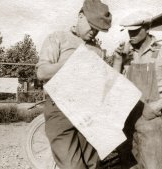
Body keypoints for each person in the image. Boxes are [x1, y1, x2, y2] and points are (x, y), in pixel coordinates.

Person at [36, 0, 112, 169]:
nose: (94, 33)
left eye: (98, 30)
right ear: (80, 16)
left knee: (94, 164)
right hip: (60, 110)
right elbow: (42, 72)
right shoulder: (58, 38)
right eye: (91, 26)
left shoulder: (97, 50)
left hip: (87, 112)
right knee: (72, 165)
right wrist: (73, 62)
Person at [113, 11, 162, 169]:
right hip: (127, 118)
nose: (131, 34)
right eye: (128, 30)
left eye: (135, 30)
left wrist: (158, 105)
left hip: (150, 119)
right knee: (129, 164)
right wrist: (118, 60)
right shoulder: (126, 53)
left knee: (153, 165)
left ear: (147, 28)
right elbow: (113, 85)